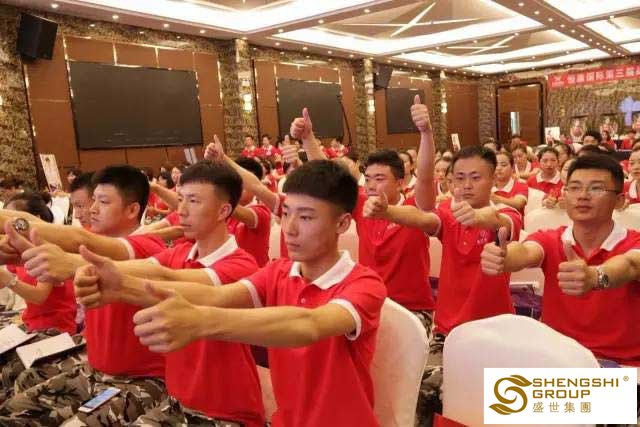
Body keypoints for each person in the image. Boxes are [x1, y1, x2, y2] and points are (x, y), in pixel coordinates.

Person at [74, 160, 387, 427]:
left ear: (342, 223)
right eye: (286, 213)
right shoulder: (278, 272)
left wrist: (199, 321)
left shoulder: (363, 284)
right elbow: (215, 296)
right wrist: (123, 288)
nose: (289, 228)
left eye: (305, 217)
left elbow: (309, 325)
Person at [0, 165, 168, 425]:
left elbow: (74, 237)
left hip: (139, 379)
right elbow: (51, 232)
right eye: (93, 201)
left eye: (103, 202)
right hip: (95, 371)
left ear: (132, 210)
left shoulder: (149, 246)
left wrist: (15, 227)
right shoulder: (94, 239)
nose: (92, 209)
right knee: (14, 408)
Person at [481, 154, 640, 366]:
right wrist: (504, 257)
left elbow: (630, 265)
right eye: (574, 188)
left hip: (621, 366)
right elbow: (526, 251)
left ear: (619, 200)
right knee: (488, 381)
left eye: (596, 189)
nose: (582, 196)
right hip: (557, 360)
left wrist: (595, 276)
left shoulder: (634, 242)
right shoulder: (551, 238)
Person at [228, 157, 272, 267]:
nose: (238, 187)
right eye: (234, 182)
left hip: (255, 274)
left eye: (243, 183)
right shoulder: (222, 213)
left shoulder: (261, 211)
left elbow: (237, 211)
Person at [491, 151, 528, 215]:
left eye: (503, 165)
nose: (498, 168)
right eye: (495, 165)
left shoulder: (521, 185)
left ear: (512, 168)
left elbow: (519, 204)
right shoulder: (487, 186)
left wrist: (496, 198)